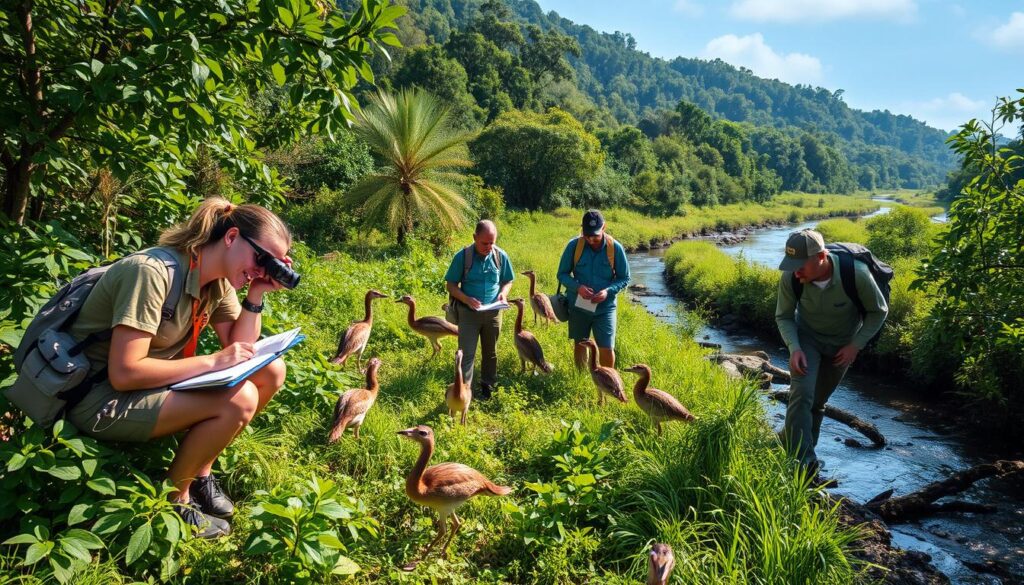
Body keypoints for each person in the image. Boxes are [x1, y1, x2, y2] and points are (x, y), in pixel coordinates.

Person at [65, 197, 294, 538]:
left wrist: (257, 292)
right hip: (96, 397)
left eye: (271, 265)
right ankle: (174, 500)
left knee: (272, 371)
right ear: (231, 237)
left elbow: (239, 349)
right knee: (240, 398)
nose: (262, 270)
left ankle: (200, 471)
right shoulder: (152, 273)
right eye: (262, 260)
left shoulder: (217, 279)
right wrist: (212, 362)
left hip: (146, 385)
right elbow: (125, 372)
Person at [775, 229, 888, 481]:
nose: (795, 271)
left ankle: (794, 446)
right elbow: (783, 316)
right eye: (791, 264)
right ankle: (803, 464)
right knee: (802, 395)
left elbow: (878, 311)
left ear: (822, 257)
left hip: (842, 345)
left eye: (800, 264)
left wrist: (855, 345)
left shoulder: (855, 274)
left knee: (817, 402)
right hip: (807, 341)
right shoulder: (791, 278)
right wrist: (794, 348)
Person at [444, 220, 514, 399]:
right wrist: (466, 299)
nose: (489, 247)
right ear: (474, 237)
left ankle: (487, 388)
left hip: (493, 312)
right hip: (468, 313)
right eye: (484, 243)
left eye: (492, 242)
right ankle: (465, 393)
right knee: (466, 354)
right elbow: (451, 285)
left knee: (490, 353)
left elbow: (508, 281)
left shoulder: (500, 256)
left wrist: (503, 294)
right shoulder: (463, 257)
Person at [557, 210, 630, 369]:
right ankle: (581, 380)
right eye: (587, 234)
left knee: (606, 347)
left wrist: (607, 291)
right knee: (580, 344)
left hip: (605, 308)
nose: (591, 239)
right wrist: (578, 288)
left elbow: (624, 278)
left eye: (595, 235)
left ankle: (608, 383)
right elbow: (562, 274)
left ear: (604, 227)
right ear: (582, 229)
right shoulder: (574, 246)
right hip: (579, 307)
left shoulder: (615, 248)